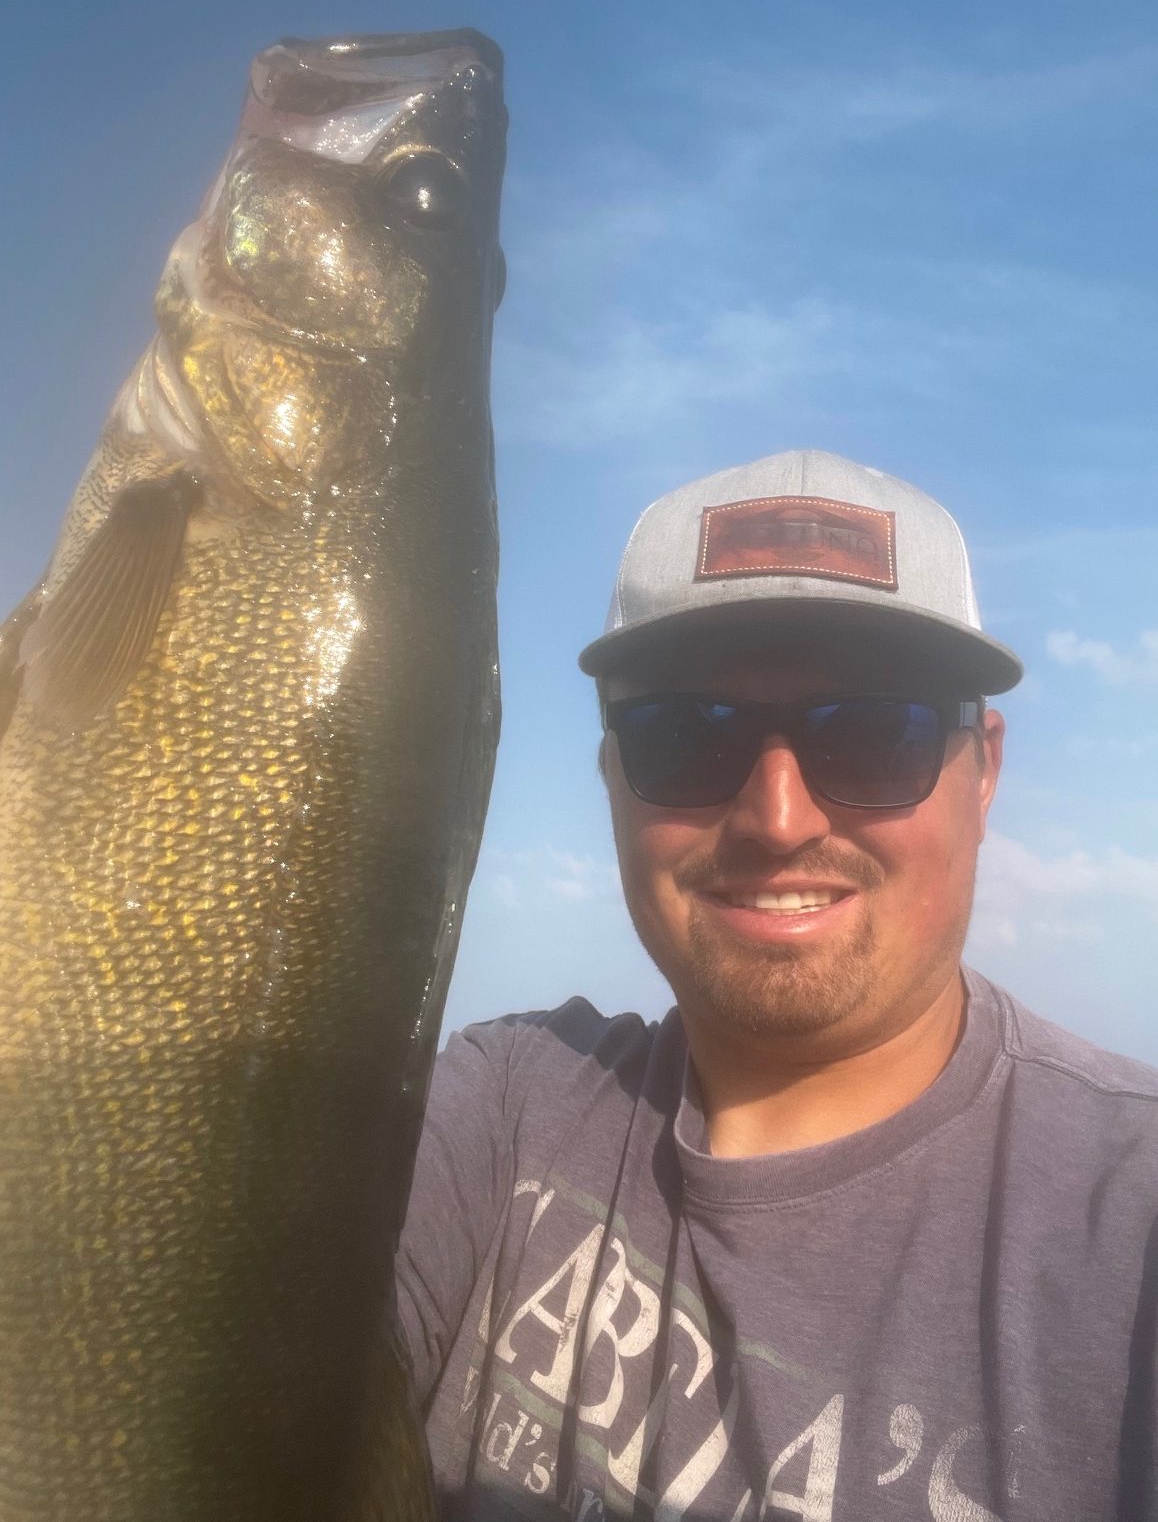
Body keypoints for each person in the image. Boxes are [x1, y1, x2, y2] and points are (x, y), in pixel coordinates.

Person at [396, 449, 1158, 1522]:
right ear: (611, 771)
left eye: (874, 728)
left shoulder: (1129, 1227)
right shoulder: (507, 1101)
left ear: (982, 771)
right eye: (682, 731)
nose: (779, 815)